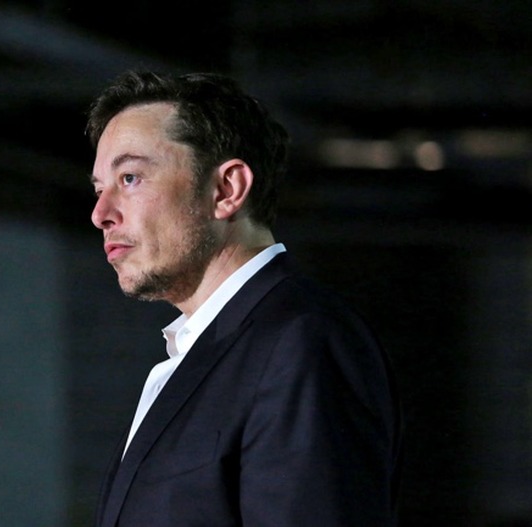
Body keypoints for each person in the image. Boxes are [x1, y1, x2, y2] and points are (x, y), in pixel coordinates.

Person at [86, 70, 402, 527]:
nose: (100, 214)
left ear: (226, 190)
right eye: (99, 189)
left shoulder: (301, 341)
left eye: (130, 178)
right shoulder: (204, 355)